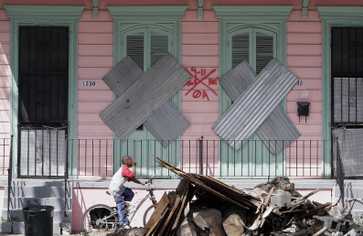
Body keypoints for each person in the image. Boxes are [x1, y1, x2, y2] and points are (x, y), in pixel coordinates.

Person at [108, 155, 144, 228]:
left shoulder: (125, 169)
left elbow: (132, 179)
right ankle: (123, 223)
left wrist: (142, 183)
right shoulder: (124, 169)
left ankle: (122, 210)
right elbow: (132, 175)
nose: (132, 161)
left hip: (120, 188)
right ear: (127, 161)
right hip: (116, 190)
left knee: (130, 193)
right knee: (121, 204)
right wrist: (134, 166)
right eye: (131, 160)